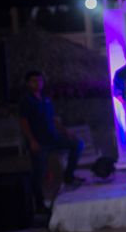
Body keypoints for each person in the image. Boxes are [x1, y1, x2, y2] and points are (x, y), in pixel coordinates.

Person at [19, 71, 84, 214]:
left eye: (40, 80)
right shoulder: (26, 101)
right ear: (28, 83)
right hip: (39, 142)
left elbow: (53, 118)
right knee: (39, 173)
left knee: (77, 144)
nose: (38, 83)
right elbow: (23, 123)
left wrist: (65, 131)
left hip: (54, 137)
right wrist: (31, 141)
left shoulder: (45, 98)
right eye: (34, 81)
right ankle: (40, 205)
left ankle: (68, 176)